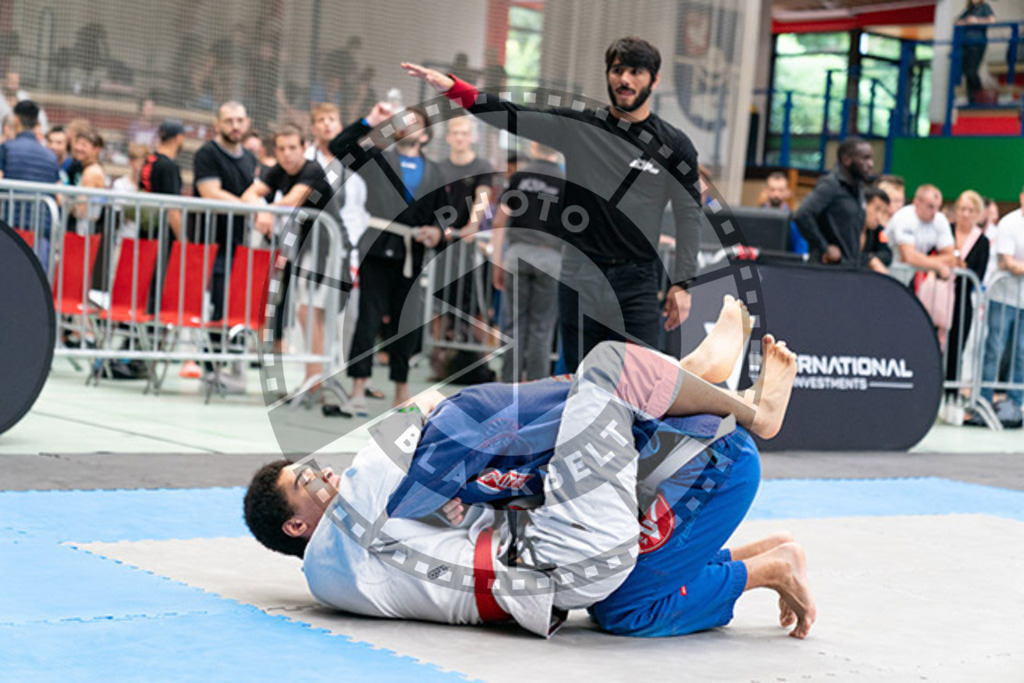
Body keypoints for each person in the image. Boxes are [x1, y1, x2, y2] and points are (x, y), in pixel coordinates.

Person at [244, 299, 814, 639]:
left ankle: (687, 376)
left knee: (505, 442)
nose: (326, 476)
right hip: (572, 548)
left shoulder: (359, 552)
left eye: (314, 468)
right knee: (602, 370)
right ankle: (741, 406)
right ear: (296, 526)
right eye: (308, 481)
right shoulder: (342, 537)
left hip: (562, 555)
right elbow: (415, 413)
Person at [403, 36, 703, 373]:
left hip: (637, 281)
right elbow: (511, 115)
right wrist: (454, 89)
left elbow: (688, 214)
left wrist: (683, 283)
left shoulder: (674, 145)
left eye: (636, 72)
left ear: (654, 79)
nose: (625, 80)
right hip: (580, 273)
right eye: (618, 70)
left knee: (640, 380)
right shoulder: (580, 127)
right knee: (581, 378)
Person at [328, 102, 448, 412]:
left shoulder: (435, 172)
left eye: (416, 121)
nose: (409, 125)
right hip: (377, 250)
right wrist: (369, 120)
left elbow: (443, 214)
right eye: (403, 120)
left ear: (425, 134)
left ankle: (401, 391)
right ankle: (358, 387)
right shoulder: (379, 160)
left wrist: (437, 232)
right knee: (369, 317)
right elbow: (339, 146)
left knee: (405, 323)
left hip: (411, 253)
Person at [242, 123, 339, 393]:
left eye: (292, 148)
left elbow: (294, 199)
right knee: (283, 306)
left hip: (324, 247)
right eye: (281, 149)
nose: (287, 154)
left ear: (304, 147)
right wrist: (261, 211)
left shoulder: (313, 170)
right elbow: (249, 194)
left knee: (308, 311)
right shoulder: (277, 171)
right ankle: (295, 378)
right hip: (297, 247)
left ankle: (314, 381)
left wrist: (265, 210)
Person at [192, 101, 259, 394]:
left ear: (247, 123)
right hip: (212, 245)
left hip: (240, 246)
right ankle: (211, 368)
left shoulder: (249, 157)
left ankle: (232, 368)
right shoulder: (207, 153)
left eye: (239, 120)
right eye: (229, 120)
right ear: (217, 124)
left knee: (236, 305)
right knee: (218, 304)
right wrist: (247, 205)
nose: (235, 125)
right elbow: (210, 192)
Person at [491, 141, 566, 382]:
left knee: (514, 325)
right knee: (542, 328)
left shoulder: (520, 177)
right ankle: (536, 389)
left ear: (534, 145)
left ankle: (508, 386)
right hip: (551, 257)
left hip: (518, 254)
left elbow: (499, 222)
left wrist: (497, 262)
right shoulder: (567, 182)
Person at [975, 186, 1024, 427]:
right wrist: (1017, 266)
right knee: (994, 348)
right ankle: (983, 400)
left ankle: (1015, 404)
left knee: (1021, 354)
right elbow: (1007, 263)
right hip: (1002, 299)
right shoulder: (1009, 223)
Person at [793, 137, 874, 267]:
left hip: (849, 268)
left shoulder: (858, 189)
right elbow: (802, 214)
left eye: (871, 158)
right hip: (828, 270)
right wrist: (825, 247)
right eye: (865, 158)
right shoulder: (831, 185)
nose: (871, 164)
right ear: (846, 159)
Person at [942, 191, 989, 408]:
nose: (965, 214)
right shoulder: (946, 231)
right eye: (962, 209)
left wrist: (962, 269)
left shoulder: (982, 241)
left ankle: (951, 395)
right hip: (940, 294)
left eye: (971, 210)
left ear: (978, 213)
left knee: (956, 347)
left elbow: (977, 275)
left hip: (962, 300)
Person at [0, 100, 59, 262]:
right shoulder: (50, 156)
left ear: (16, 120)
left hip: (11, 230)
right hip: (41, 231)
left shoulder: (7, 148)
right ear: (37, 122)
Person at [887, 184, 956, 279]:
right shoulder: (904, 217)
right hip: (887, 273)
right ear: (917, 203)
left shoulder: (940, 220)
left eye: (938, 207)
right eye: (930, 206)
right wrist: (938, 266)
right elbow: (909, 257)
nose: (934, 212)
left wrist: (921, 260)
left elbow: (951, 258)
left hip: (908, 277)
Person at [956, 0, 996, 105]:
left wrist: (976, 20)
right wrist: (966, 21)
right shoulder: (969, 9)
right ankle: (971, 100)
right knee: (967, 73)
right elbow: (957, 21)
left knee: (972, 71)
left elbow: (992, 20)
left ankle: (979, 96)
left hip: (977, 44)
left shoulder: (984, 7)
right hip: (966, 44)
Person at [859, 187, 893, 275]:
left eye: (883, 212)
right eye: (877, 209)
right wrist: (870, 260)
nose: (879, 217)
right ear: (863, 206)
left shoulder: (879, 230)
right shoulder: (848, 227)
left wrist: (872, 258)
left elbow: (887, 254)